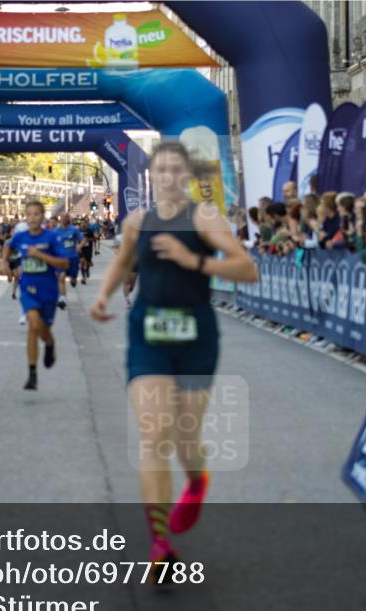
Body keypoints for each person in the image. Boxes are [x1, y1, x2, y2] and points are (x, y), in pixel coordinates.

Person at [89, 141, 258, 580]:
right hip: (148, 334)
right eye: (159, 170)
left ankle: (197, 479)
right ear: (152, 176)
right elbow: (124, 261)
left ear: (184, 176)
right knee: (154, 434)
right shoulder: (136, 222)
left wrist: (193, 259)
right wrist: (105, 295)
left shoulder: (203, 218)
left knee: (185, 439)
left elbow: (247, 268)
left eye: (173, 170)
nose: (166, 177)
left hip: (196, 335)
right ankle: (160, 545)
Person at [1, 201, 68, 391]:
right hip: (28, 288)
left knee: (43, 328)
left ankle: (50, 342)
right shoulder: (20, 237)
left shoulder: (52, 237)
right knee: (33, 325)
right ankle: (32, 374)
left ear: (43, 216)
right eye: (28, 214)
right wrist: (3, 262)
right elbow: (8, 245)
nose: (32, 218)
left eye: (36, 214)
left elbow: (63, 263)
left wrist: (41, 256)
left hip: (48, 289)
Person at [53, 213, 83, 310]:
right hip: (61, 259)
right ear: (60, 219)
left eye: (66, 218)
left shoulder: (74, 229)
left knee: (73, 279)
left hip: (73, 258)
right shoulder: (56, 231)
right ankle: (63, 298)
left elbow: (83, 239)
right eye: (62, 218)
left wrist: (79, 245)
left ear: (68, 219)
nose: (64, 219)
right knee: (61, 277)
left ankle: (73, 279)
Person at [78, 220, 95, 284]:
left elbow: (93, 239)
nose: (83, 225)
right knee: (82, 261)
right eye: (82, 224)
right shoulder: (79, 231)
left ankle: (87, 270)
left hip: (88, 249)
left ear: (86, 224)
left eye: (84, 223)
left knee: (87, 262)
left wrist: (88, 239)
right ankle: (83, 277)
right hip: (81, 248)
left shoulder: (90, 231)